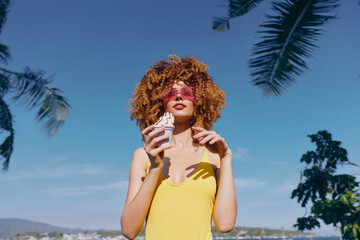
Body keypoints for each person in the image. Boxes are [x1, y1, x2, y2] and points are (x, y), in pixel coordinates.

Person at [121, 55, 237, 240]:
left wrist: (227, 157)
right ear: (160, 101)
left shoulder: (215, 157)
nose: (179, 96)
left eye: (188, 91)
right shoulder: (143, 156)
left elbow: (225, 224)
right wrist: (156, 168)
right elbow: (129, 230)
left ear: (200, 100)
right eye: (170, 92)